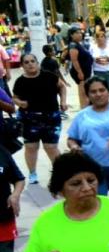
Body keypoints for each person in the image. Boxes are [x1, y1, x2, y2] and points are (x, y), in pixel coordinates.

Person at [11, 52, 66, 184]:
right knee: (31, 147)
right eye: (26, 62)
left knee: (51, 147)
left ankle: (60, 173)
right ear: (22, 66)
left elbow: (62, 87)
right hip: (29, 118)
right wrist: (20, 103)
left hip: (51, 117)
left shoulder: (49, 76)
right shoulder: (20, 81)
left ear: (37, 63)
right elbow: (15, 97)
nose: (30, 64)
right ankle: (32, 173)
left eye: (32, 61)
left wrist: (63, 101)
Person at [66, 27, 93, 108]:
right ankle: (83, 107)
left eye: (80, 33)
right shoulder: (73, 45)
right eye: (77, 33)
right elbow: (74, 60)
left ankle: (85, 106)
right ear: (71, 35)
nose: (80, 34)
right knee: (83, 91)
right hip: (80, 71)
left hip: (85, 71)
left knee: (85, 89)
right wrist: (79, 72)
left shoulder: (78, 44)